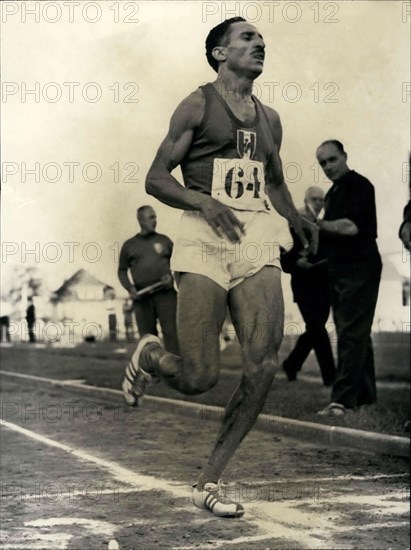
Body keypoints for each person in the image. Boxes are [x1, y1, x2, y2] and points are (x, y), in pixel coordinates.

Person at [122, 17, 317, 518]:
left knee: (263, 362)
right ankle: (151, 357)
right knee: (199, 376)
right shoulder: (197, 104)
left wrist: (295, 219)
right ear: (217, 53)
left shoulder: (269, 118)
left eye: (262, 41)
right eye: (247, 38)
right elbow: (155, 177)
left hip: (254, 236)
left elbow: (273, 181)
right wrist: (203, 202)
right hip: (202, 236)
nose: (259, 45)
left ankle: (209, 479)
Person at [315, 140, 382, 417]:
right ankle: (364, 397)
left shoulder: (360, 186)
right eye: (323, 163)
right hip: (338, 271)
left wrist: (314, 223)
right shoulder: (332, 193)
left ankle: (341, 401)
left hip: (360, 270)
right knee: (355, 334)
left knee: (351, 334)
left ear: (344, 156)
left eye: (332, 159)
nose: (328, 166)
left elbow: (350, 227)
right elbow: (329, 235)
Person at [281, 186, 336, 386]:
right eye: (315, 198)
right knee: (317, 328)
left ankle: (292, 364)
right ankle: (331, 378)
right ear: (306, 199)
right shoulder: (294, 220)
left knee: (315, 328)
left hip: (323, 284)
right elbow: (283, 252)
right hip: (303, 284)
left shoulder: (325, 222)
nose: (319, 202)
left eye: (322, 199)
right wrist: (296, 262)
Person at [118, 205, 179, 354]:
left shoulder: (164, 241)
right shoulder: (129, 245)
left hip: (166, 296)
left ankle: (176, 374)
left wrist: (171, 277)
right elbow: (122, 271)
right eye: (151, 217)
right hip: (142, 298)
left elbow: (180, 264)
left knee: (173, 336)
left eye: (155, 217)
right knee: (148, 341)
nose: (155, 221)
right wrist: (130, 288)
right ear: (140, 220)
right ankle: (154, 376)